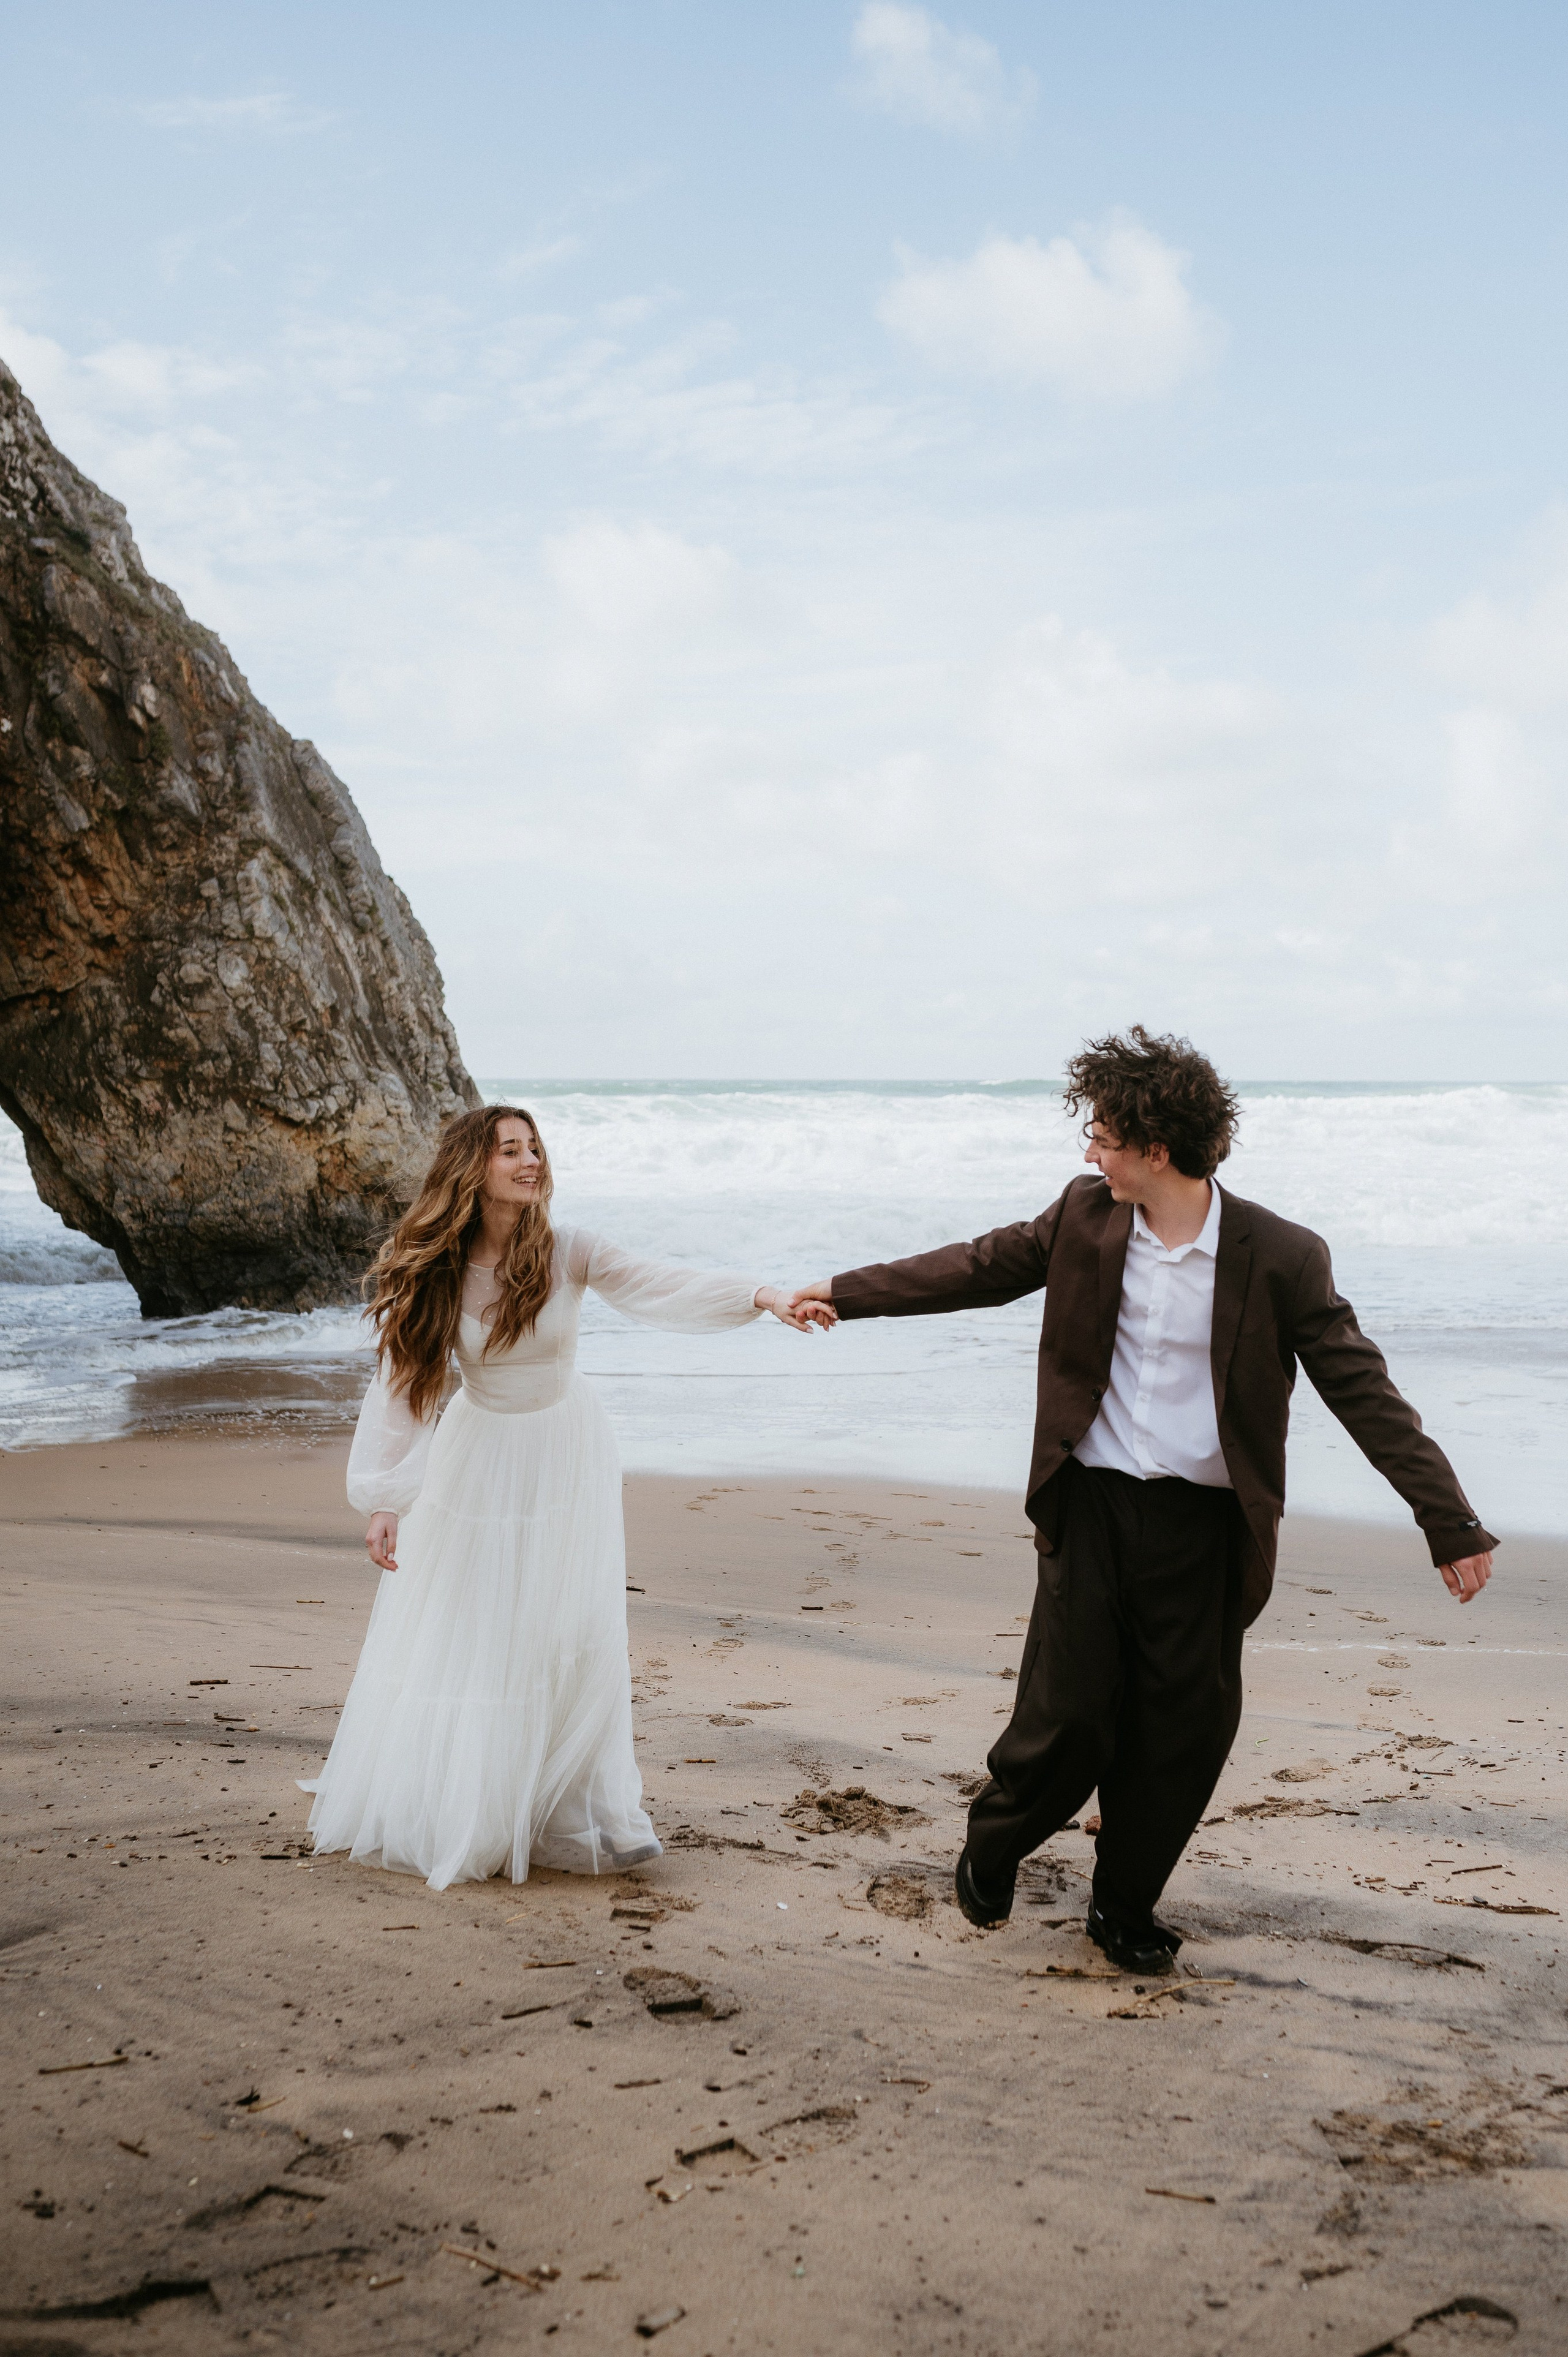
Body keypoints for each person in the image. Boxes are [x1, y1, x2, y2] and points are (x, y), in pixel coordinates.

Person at [790, 1028, 1496, 1975]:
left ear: (1157, 1148)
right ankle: (997, 1837)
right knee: (1071, 1712)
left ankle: (1122, 1906)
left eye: (1103, 1133)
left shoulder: (1282, 1257)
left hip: (1205, 1529)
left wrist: (1446, 1520)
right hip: (1091, 1507)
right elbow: (976, 1266)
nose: (1090, 1150)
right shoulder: (1085, 1218)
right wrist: (846, 1292)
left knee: (1182, 1732)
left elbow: (1361, 1389)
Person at [303, 1103, 829, 1892]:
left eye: (534, 1149)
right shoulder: (439, 1268)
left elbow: (660, 1282)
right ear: (471, 1170)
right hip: (478, 1461)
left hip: (566, 1453)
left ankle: (580, 1812)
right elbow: (405, 1385)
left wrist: (760, 1296)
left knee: (564, 1629)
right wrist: (386, 1498)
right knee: (480, 1629)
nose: (530, 1162)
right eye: (510, 1151)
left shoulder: (568, 1250)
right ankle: (476, 1808)